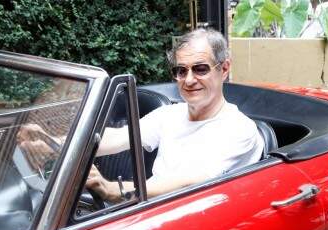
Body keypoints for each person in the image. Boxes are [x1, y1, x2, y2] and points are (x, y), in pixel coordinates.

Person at [18, 28, 264, 203]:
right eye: (181, 71)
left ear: (224, 69)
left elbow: (193, 182)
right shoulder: (170, 115)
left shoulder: (239, 129)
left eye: (200, 69)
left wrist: (117, 189)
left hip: (204, 226)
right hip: (153, 212)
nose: (189, 80)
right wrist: (53, 144)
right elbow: (117, 138)